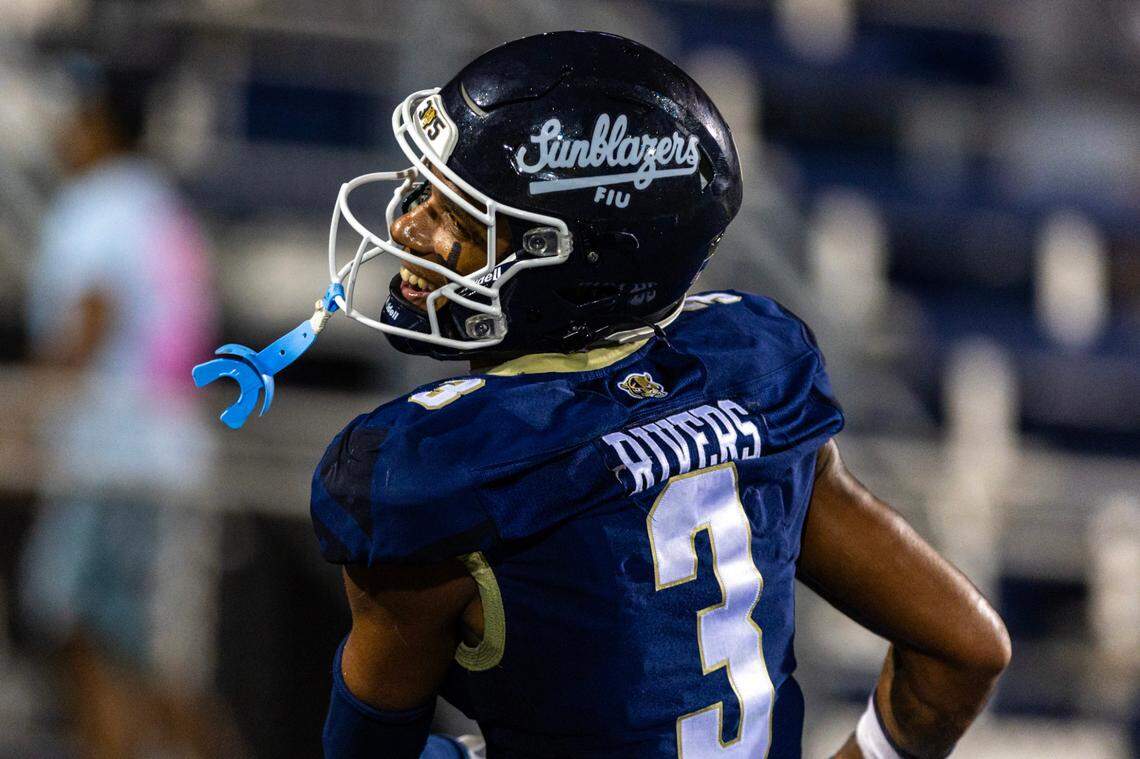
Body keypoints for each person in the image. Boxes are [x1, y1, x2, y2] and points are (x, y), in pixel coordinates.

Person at [295, 31, 1009, 758]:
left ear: (572, 263)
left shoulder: (427, 472)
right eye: (425, 192)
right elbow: (966, 650)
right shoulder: (752, 374)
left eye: (457, 215)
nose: (407, 225)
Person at [20, 60, 241, 758]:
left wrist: (21, 414)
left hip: (119, 458)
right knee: (107, 637)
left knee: (107, 638)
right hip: (157, 453)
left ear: (98, 121)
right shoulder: (154, 201)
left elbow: (90, 323)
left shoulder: (99, 203)